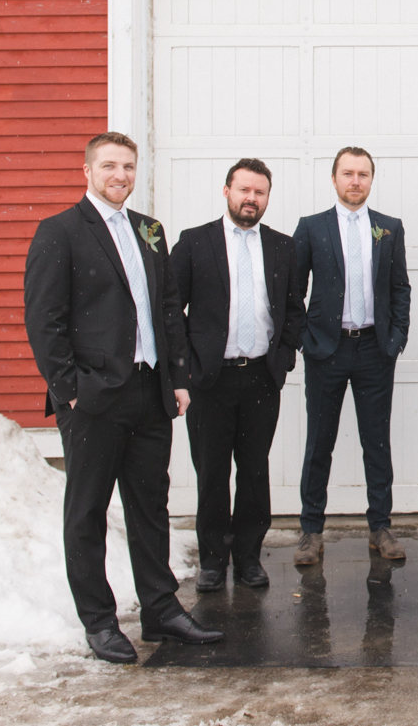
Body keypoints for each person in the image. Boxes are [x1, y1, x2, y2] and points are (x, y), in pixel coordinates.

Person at [23, 131, 222, 664]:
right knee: (86, 511)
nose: (120, 175)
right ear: (86, 171)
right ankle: (100, 621)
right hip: (93, 397)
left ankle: (161, 610)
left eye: (129, 166)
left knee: (150, 508)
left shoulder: (149, 231)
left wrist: (177, 378)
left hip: (149, 392)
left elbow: (168, 310)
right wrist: (70, 392)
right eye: (109, 165)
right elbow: (44, 323)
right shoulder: (59, 232)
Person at [170, 158, 305, 594]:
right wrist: (185, 367)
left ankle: (248, 557)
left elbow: (293, 310)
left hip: (261, 379)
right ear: (226, 191)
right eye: (244, 190)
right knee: (210, 472)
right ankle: (213, 559)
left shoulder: (284, 247)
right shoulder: (194, 243)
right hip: (210, 380)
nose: (251, 199)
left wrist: (283, 358)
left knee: (253, 471)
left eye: (260, 192)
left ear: (267, 197)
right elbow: (171, 310)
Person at [291, 146, 412, 566]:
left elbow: (400, 288)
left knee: (376, 442)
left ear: (371, 179)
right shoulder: (311, 228)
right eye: (348, 173)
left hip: (374, 350)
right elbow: (292, 290)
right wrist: (305, 338)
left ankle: (381, 526)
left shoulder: (388, 228)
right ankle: (310, 531)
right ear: (334, 178)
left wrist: (395, 339)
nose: (355, 181)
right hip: (326, 350)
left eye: (362, 174)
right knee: (318, 443)